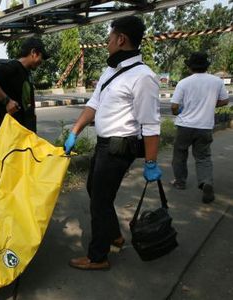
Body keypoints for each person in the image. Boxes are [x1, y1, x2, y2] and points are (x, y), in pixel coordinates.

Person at [64, 16, 162, 270]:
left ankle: (98, 257)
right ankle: (114, 235)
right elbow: (94, 105)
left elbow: (150, 124)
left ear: (121, 39)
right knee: (94, 190)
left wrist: (151, 162)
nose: (107, 43)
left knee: (99, 200)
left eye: (109, 38)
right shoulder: (111, 71)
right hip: (103, 144)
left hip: (119, 148)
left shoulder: (143, 77)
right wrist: (75, 130)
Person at [170, 52, 229, 203]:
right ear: (206, 66)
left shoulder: (183, 83)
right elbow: (224, 101)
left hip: (185, 126)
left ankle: (180, 182)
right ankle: (206, 182)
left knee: (180, 154)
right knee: (203, 157)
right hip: (205, 126)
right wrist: (209, 104)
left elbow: (174, 107)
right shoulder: (217, 82)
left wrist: (180, 111)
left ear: (190, 67)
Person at [0, 37, 49, 143]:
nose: (42, 62)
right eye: (41, 57)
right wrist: (7, 101)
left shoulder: (26, 73)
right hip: (3, 129)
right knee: (5, 159)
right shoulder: (13, 67)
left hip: (18, 131)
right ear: (33, 52)